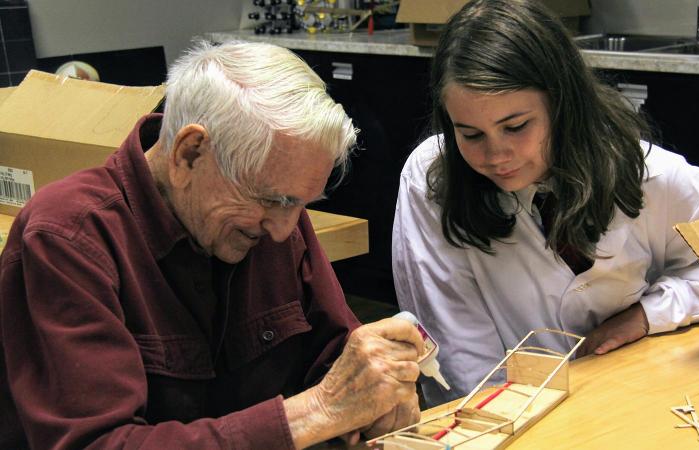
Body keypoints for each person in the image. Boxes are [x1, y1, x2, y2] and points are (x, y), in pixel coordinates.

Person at [0, 41, 423, 449]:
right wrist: (320, 410)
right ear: (189, 154)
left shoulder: (275, 213)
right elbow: (100, 443)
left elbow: (336, 357)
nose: (284, 229)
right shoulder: (67, 238)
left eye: (300, 203)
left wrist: (380, 390)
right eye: (273, 200)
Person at [392, 0, 699, 406]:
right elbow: (461, 349)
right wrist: (503, 417)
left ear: (562, 104)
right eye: (470, 134)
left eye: (516, 126)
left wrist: (648, 316)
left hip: (634, 394)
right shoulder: (433, 179)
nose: (496, 155)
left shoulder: (651, 175)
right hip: (503, 412)